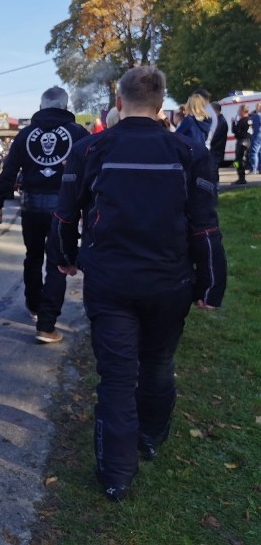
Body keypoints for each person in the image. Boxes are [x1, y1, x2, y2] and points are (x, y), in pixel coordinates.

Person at [48, 65, 226, 502]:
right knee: (156, 364)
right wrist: (211, 285)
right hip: (168, 282)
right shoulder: (188, 151)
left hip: (114, 282)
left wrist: (64, 258)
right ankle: (147, 438)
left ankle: (117, 473)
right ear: (162, 104)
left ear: (120, 102)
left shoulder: (91, 148)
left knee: (118, 375)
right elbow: (205, 225)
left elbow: (64, 214)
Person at [0, 86, 89, 343]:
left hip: (31, 207)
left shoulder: (25, 134)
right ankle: (46, 325)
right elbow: (91, 175)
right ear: (66, 106)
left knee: (33, 256)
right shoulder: (79, 134)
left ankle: (34, 305)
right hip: (63, 210)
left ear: (42, 106)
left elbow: (9, 171)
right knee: (58, 262)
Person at [208, 102, 228, 187]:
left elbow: (214, 136)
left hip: (216, 149)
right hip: (216, 149)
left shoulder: (220, 121)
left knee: (213, 169)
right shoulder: (218, 120)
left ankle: (215, 187)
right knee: (212, 169)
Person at [232, 104, 251, 185]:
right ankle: (241, 177)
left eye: (239, 110)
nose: (238, 112)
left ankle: (241, 178)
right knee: (240, 160)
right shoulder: (250, 119)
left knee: (238, 160)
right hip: (248, 141)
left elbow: (235, 130)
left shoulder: (242, 120)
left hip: (242, 141)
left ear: (243, 111)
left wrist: (233, 123)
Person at [249, 102, 261, 174]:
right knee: (259, 152)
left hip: (257, 135)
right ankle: (259, 168)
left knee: (254, 152)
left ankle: (254, 169)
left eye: (257, 107)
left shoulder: (256, 116)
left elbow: (249, 120)